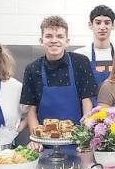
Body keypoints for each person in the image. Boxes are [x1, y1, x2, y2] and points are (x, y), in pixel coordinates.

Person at [20, 16, 97, 149]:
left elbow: (87, 101)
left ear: (67, 41)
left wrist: (85, 136)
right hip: (44, 144)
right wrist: (37, 138)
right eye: (49, 36)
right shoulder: (32, 69)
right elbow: (30, 109)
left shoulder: (81, 62)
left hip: (77, 142)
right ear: (41, 40)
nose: (54, 40)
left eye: (60, 36)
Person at [75, 5, 115, 105]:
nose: (102, 27)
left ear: (113, 25)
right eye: (98, 22)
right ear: (90, 25)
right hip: (89, 111)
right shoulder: (80, 55)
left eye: (107, 22)